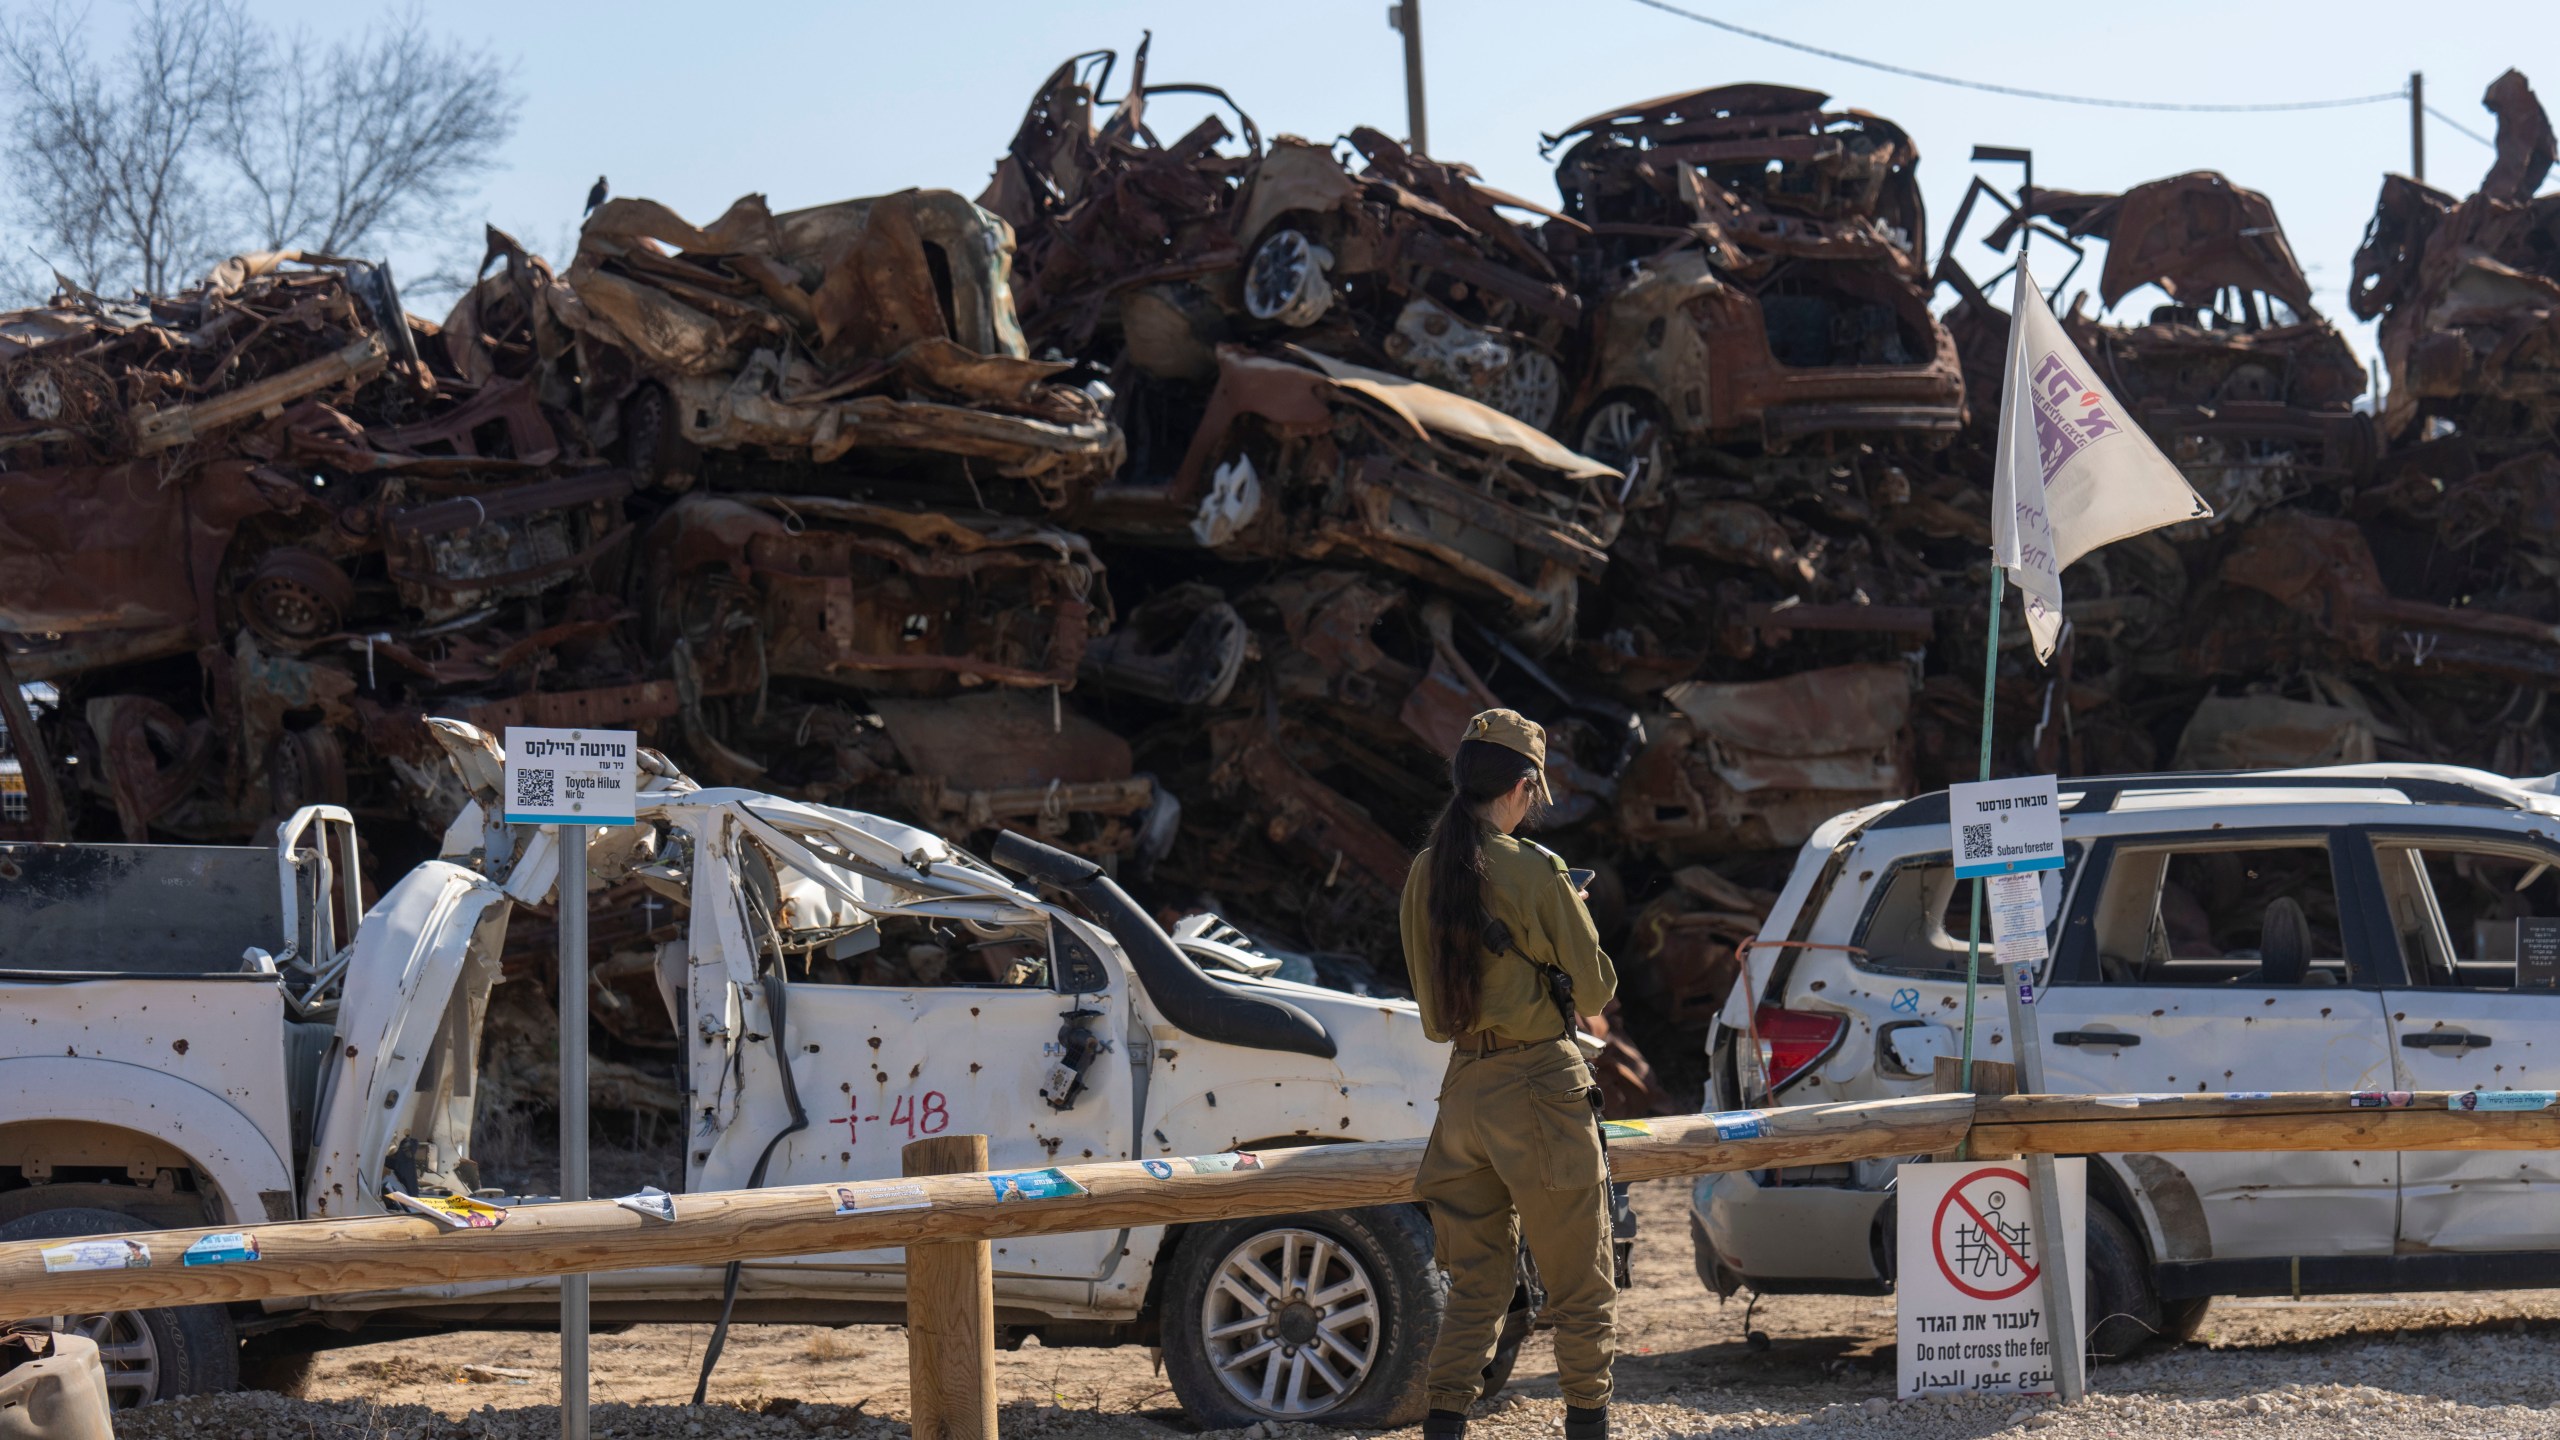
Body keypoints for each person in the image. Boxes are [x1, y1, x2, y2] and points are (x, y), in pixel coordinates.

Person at [1400, 709, 1617, 1440]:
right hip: (1540, 1089)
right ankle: (1588, 1426)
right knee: (1582, 1286)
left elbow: (1435, 1018)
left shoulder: (1426, 872)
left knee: (1475, 1289)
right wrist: (1569, 919)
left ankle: (1446, 1425)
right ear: (1525, 786)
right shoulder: (1538, 871)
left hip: (1464, 1095)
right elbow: (1594, 993)